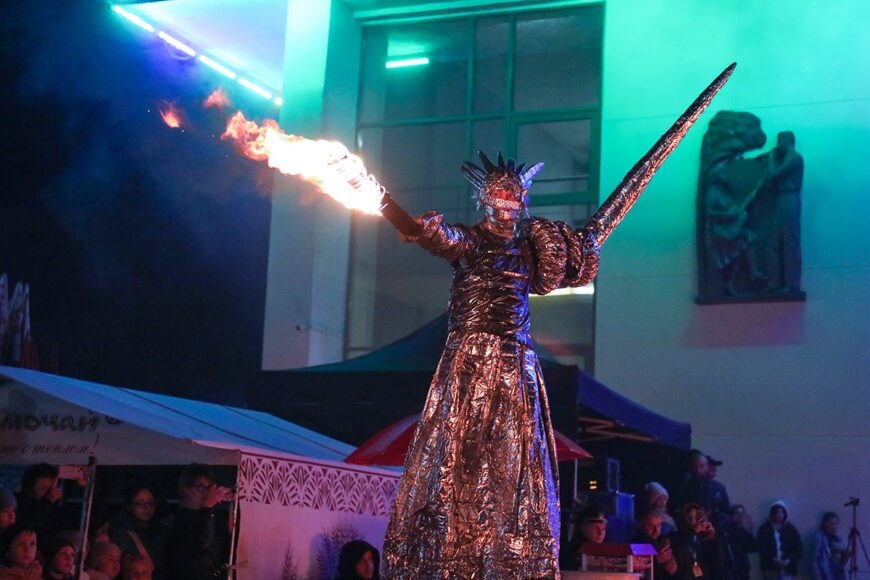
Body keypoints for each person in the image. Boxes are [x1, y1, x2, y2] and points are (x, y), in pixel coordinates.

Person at [381, 152, 601, 578]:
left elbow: (568, 269)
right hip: (470, 360)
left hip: (515, 362)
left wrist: (582, 249)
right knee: (458, 450)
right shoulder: (472, 242)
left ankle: (508, 553)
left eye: (515, 195)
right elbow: (444, 238)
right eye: (500, 194)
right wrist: (424, 229)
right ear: (485, 199)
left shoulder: (529, 251)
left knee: (514, 457)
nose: (508, 203)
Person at [165, 464, 232, 580]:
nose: (206, 493)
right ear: (186, 489)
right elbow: (202, 543)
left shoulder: (214, 517)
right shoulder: (174, 521)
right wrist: (207, 508)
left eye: (209, 488)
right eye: (201, 488)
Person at [107, 487, 167, 578]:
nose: (147, 507)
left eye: (150, 503)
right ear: (129, 506)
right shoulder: (119, 532)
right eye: (140, 503)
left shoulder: (161, 532)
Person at [676, 450, 730, 530]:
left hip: (714, 530)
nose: (698, 470)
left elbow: (727, 511)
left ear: (707, 467)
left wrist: (717, 520)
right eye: (695, 467)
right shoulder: (684, 488)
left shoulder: (718, 488)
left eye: (701, 466)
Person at [669, 503, 722, 580]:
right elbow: (680, 547)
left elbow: (716, 560)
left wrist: (712, 537)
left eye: (696, 517)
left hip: (699, 572)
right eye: (690, 518)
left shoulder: (701, 537)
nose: (694, 521)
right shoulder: (675, 537)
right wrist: (693, 531)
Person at [15, 465, 62, 541]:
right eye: (44, 488)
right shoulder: (16, 504)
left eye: (52, 489)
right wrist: (47, 502)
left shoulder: (50, 506)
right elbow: (31, 522)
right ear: (29, 487)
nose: (50, 493)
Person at [757, 501, 802, 580]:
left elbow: (798, 547)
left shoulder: (791, 529)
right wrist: (774, 559)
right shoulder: (765, 528)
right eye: (777, 512)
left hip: (787, 568)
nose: (780, 515)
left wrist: (789, 560)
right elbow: (761, 547)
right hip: (770, 568)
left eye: (782, 512)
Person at [633, 512, 678, 578]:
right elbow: (637, 569)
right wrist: (656, 560)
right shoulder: (638, 544)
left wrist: (671, 561)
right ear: (644, 526)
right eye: (652, 526)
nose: (656, 530)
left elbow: (671, 569)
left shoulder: (663, 541)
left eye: (658, 526)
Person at [721, 504, 756, 580]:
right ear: (731, 516)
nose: (741, 516)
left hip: (743, 569)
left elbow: (752, 548)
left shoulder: (743, 530)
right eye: (737, 513)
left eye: (742, 513)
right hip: (731, 569)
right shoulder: (726, 531)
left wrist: (749, 531)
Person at [813, 512, 847, 580]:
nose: (834, 526)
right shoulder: (819, 538)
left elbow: (841, 562)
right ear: (825, 524)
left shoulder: (839, 540)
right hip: (825, 575)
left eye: (836, 523)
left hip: (838, 575)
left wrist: (846, 556)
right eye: (831, 524)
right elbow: (815, 560)